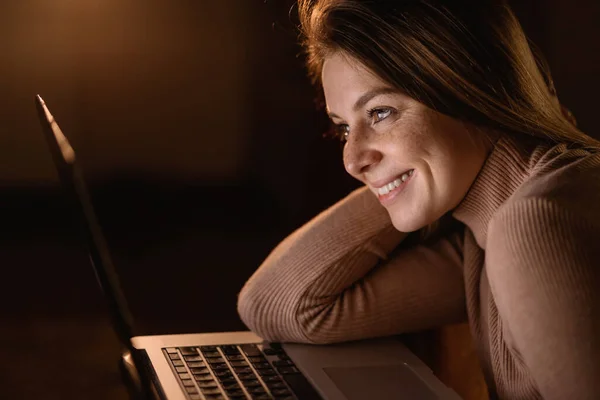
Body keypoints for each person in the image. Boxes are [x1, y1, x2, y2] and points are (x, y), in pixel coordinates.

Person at [237, 0, 600, 399]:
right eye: (343, 129)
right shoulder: (479, 236)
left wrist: (407, 172)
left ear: (468, 88)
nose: (352, 161)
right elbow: (276, 305)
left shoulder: (533, 222)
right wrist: (400, 176)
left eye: (380, 113)